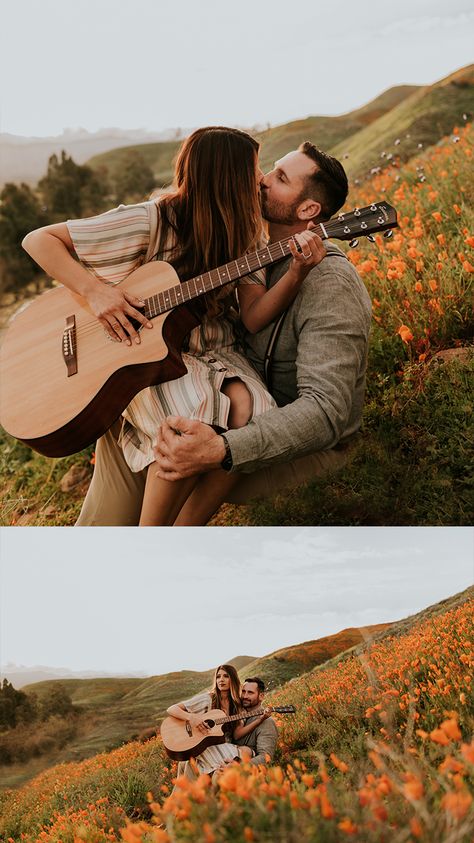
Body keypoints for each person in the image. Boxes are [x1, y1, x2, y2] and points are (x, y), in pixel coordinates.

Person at [22, 127, 325, 526]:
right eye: (253, 168)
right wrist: (95, 292)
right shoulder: (152, 219)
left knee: (254, 415)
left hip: (217, 352)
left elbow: (252, 316)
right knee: (194, 416)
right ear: (227, 176)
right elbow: (38, 240)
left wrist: (297, 273)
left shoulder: (246, 231)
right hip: (144, 355)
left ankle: (180, 535)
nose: (260, 178)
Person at [74, 141, 371, 525]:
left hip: (280, 443)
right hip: (226, 408)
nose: (262, 180)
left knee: (192, 421)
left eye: (279, 178)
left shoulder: (330, 283)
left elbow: (326, 415)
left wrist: (221, 449)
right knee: (140, 405)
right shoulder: (256, 249)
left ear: (308, 209)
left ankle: (166, 544)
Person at [166, 664, 255, 776]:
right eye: (218, 677)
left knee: (247, 751)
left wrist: (260, 719)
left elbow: (237, 735)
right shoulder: (207, 699)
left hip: (222, 745)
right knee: (222, 764)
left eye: (226, 676)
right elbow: (172, 709)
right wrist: (191, 717)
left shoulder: (238, 706)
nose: (221, 680)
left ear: (233, 679)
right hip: (202, 746)